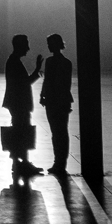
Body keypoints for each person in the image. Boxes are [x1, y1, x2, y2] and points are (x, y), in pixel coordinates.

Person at [2, 34, 44, 179]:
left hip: (16, 102)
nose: (28, 48)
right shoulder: (14, 62)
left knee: (19, 130)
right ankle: (22, 162)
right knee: (22, 130)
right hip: (18, 102)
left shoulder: (13, 61)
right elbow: (24, 83)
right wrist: (37, 70)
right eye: (26, 44)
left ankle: (19, 162)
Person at [39, 33, 73, 175]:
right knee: (61, 132)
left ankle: (58, 162)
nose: (48, 46)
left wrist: (43, 95)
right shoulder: (66, 63)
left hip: (53, 101)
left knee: (57, 132)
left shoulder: (50, 61)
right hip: (61, 101)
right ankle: (60, 163)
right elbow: (66, 84)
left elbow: (47, 81)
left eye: (50, 43)